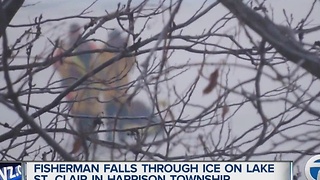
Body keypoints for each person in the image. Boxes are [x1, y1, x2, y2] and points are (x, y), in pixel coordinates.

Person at [53, 23, 103, 159]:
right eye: (73, 32)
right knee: (80, 122)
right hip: (73, 93)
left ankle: (93, 150)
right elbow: (58, 67)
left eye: (77, 31)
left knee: (92, 121)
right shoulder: (64, 49)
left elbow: (101, 62)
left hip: (91, 92)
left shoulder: (91, 46)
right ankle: (84, 150)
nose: (75, 34)